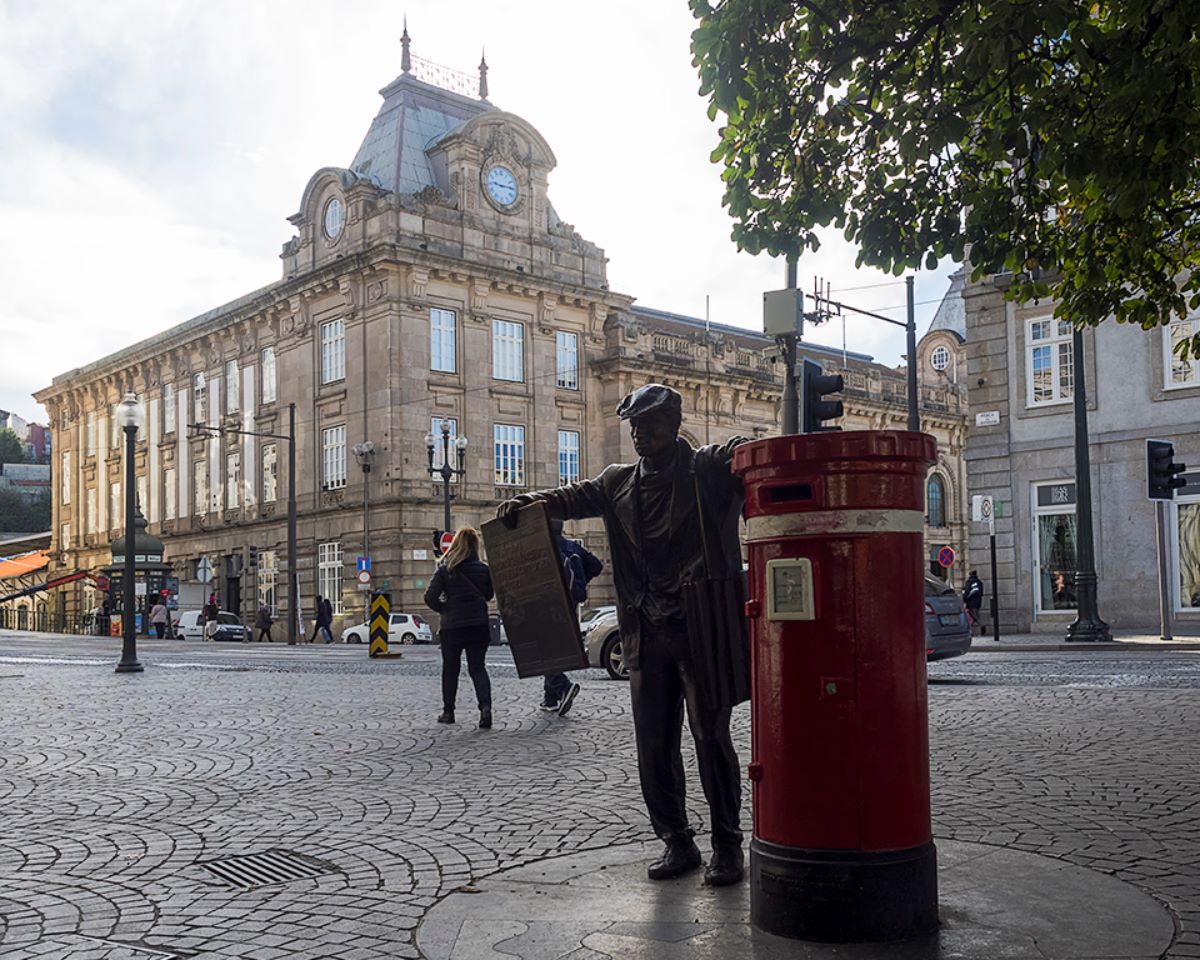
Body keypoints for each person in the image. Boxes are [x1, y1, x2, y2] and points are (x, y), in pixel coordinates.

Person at [497, 383, 748, 887]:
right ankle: (676, 841)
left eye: (649, 424)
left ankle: (727, 844)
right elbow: (568, 498)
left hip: (698, 625)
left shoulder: (705, 470)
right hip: (645, 629)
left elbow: (741, 455)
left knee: (709, 737)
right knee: (653, 744)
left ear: (674, 424)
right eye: (633, 425)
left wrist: (743, 447)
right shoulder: (617, 483)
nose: (639, 434)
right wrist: (529, 503)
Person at [424, 526, 495, 730]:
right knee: (478, 668)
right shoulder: (484, 569)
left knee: (450, 669)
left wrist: (444, 608)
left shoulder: (446, 570)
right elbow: (489, 595)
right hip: (478, 624)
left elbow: (429, 597)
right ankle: (485, 708)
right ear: (475, 546)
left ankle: (449, 712)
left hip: (452, 627)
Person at [541, 518, 604, 717]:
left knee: (545, 653)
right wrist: (580, 583)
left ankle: (563, 687)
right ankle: (550, 699)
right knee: (553, 651)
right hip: (570, 606)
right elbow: (597, 566)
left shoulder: (544, 548)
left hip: (549, 605)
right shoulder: (572, 547)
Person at [962, 571, 984, 636]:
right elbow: (981, 593)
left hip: (971, 602)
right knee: (973, 617)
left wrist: (965, 599)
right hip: (978, 602)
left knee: (973, 617)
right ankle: (972, 630)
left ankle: (979, 627)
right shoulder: (979, 583)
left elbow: (967, 592)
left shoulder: (969, 582)